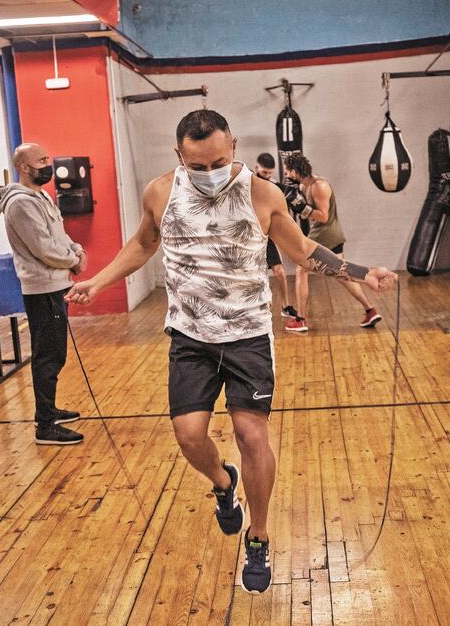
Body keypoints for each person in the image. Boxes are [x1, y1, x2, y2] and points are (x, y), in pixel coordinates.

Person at [66, 110, 397, 593]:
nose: (209, 173)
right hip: (190, 336)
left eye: (218, 162)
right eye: (197, 166)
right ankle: (224, 485)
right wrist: (96, 281)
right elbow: (143, 244)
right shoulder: (161, 192)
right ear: (179, 156)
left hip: (247, 335)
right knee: (188, 436)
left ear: (234, 147)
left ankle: (258, 536)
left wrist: (361, 272)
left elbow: (302, 249)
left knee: (251, 434)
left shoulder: (263, 194)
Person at [0, 143, 85, 445]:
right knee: (48, 356)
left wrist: (77, 250)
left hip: (57, 283)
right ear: (24, 167)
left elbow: (58, 235)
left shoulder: (41, 195)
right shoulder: (20, 203)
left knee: (54, 353)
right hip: (42, 288)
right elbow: (44, 248)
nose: (48, 164)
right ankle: (45, 426)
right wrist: (73, 261)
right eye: (42, 160)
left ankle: (50, 411)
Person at [280, 153, 382, 333]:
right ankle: (370, 310)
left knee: (301, 270)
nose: (286, 175)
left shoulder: (319, 186)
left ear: (295, 172)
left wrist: (302, 208)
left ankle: (300, 319)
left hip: (325, 234)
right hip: (329, 234)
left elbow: (324, 216)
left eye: (288, 172)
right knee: (342, 274)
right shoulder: (307, 186)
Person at [253, 152, 297, 319]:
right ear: (256, 167)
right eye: (264, 172)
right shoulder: (247, 183)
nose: (268, 175)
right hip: (248, 236)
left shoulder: (274, 186)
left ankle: (286, 306)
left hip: (266, 234)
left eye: (270, 172)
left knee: (279, 271)